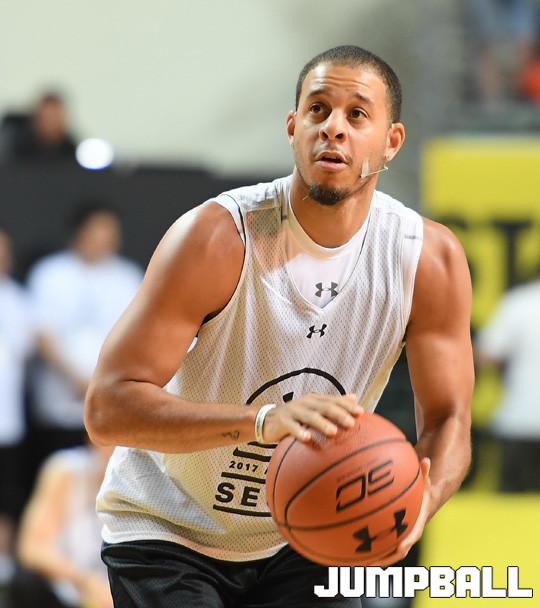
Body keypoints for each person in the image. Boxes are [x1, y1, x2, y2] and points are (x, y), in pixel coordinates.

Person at [85, 46, 474, 607]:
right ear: (293, 128)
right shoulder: (216, 238)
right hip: (169, 526)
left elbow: (449, 418)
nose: (333, 128)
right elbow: (107, 409)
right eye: (318, 109)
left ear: (391, 142)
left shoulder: (426, 259)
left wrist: (419, 502)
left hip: (309, 528)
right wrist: (262, 421)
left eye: (357, 114)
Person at [26, 202, 142, 470]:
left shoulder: (128, 276)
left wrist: (107, 381)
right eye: (99, 229)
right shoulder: (51, 273)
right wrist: (79, 380)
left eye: (111, 230)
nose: (106, 237)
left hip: (111, 401)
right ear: (80, 231)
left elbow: (137, 336)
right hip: (60, 402)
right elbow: (42, 333)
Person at [7, 442, 114, 608]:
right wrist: (86, 581)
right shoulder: (67, 469)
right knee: (26, 582)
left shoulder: (145, 480)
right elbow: (31, 549)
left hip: (119, 589)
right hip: (70, 587)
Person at [476, 273, 540, 491]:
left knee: (513, 505)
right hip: (518, 423)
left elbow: (484, 355)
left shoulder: (518, 303)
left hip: (519, 420)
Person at [0, 228, 34, 586]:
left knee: (6, 493)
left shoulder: (17, 299)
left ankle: (4, 566)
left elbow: (23, 350)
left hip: (6, 421)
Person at [5, 92, 77, 163]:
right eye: (47, 117)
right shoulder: (21, 148)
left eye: (54, 117)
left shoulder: (70, 149)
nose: (50, 122)